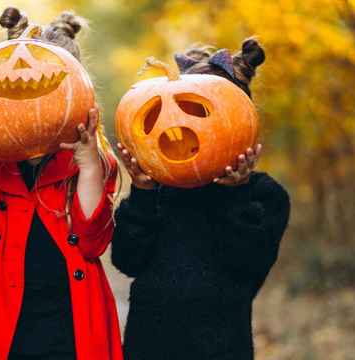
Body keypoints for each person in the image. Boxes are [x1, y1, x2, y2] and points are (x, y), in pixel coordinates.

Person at [0, 8, 123, 360]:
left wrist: (88, 168)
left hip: (67, 329)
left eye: (46, 91)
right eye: (22, 93)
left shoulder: (90, 165)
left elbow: (92, 242)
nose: (33, 107)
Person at [112, 39, 291, 360]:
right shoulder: (159, 188)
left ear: (240, 123)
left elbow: (248, 264)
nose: (185, 126)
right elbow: (127, 260)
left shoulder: (265, 196)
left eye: (201, 114)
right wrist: (142, 192)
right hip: (148, 347)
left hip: (222, 348)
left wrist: (235, 193)